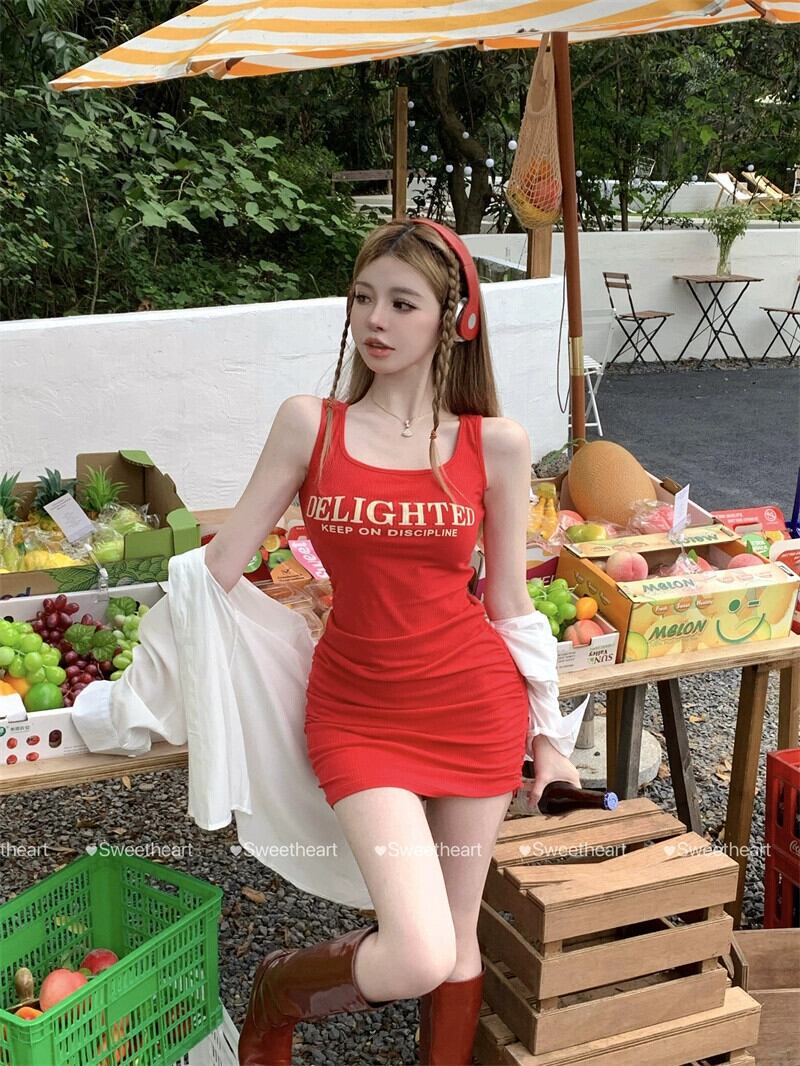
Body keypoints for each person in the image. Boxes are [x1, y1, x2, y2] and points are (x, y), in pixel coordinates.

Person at [204, 218, 582, 1066]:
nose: (376, 319)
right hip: (358, 713)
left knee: (457, 939)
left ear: (455, 320)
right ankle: (277, 992)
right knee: (416, 952)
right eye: (363, 298)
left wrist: (550, 738)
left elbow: (512, 604)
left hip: (474, 710)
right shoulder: (310, 425)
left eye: (403, 303)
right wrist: (160, 668)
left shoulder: (495, 444)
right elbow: (218, 570)